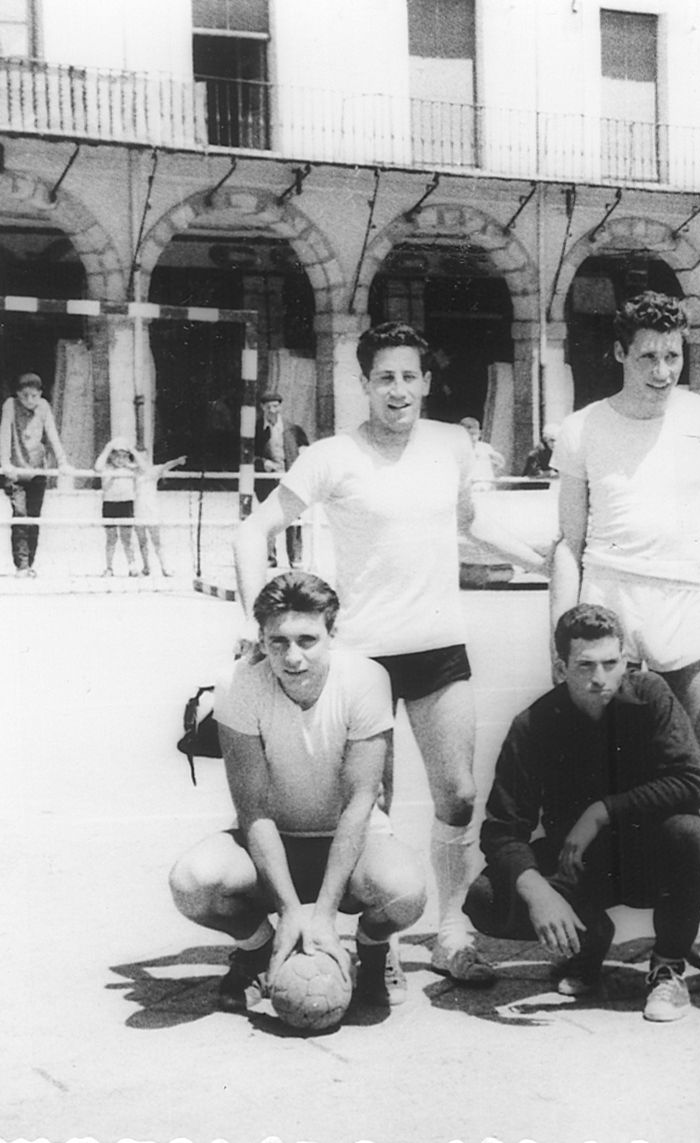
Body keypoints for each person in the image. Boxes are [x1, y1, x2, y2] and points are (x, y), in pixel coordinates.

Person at [235, 321, 549, 989]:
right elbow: (257, 527)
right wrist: (255, 624)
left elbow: (471, 523)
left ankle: (453, 931)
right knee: (371, 808)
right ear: (365, 383)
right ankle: (372, 945)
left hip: (438, 645)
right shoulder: (330, 454)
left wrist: (540, 557)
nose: (398, 389)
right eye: (384, 377)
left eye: (409, 376)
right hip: (364, 659)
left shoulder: (453, 444)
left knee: (459, 794)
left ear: (427, 382)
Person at [550, 290, 700, 977]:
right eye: (648, 357)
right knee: (597, 781)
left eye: (673, 356)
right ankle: (588, 926)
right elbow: (568, 543)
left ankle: (699, 925)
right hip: (613, 611)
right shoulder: (581, 429)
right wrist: (562, 638)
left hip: (691, 610)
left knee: (686, 786)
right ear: (619, 353)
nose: (663, 370)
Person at [167, 573, 428, 1015]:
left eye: (307, 640)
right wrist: (288, 911)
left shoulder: (366, 679)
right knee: (191, 883)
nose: (293, 657)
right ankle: (257, 951)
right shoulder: (237, 682)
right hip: (273, 842)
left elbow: (359, 803)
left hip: (351, 844)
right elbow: (253, 808)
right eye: (277, 642)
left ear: (332, 633)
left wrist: (324, 914)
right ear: (260, 639)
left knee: (406, 892)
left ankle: (373, 950)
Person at [468, 604, 700, 1022]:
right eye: (585, 666)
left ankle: (667, 967)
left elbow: (692, 782)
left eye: (611, 663)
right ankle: (589, 940)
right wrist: (538, 892)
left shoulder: (651, 695)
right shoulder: (534, 724)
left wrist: (602, 810)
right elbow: (502, 830)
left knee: (688, 832)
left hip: (646, 860)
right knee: (486, 898)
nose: (600, 678)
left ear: (625, 661)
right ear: (562, 667)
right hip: (580, 865)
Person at [0, 371, 73, 577]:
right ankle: (21, 564)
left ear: (41, 394)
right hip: (17, 470)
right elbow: (4, 434)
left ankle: (30, 563)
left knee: (34, 518)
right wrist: (5, 462)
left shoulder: (44, 407)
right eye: (25, 396)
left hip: (38, 470)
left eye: (34, 396)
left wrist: (63, 462)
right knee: (20, 516)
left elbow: (52, 435)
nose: (30, 401)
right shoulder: (10, 405)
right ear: (17, 394)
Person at [255, 390, 310, 568]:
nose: (273, 410)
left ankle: (296, 558)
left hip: (290, 480)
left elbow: (305, 447)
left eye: (276, 406)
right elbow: (247, 455)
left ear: (281, 406)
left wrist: (302, 454)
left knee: (293, 517)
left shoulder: (292, 428)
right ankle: (270, 557)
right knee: (269, 518)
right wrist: (263, 463)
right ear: (262, 407)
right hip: (266, 480)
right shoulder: (256, 429)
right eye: (269, 406)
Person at [133, 447, 187, 577]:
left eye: (144, 457)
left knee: (157, 541)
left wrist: (178, 461)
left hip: (151, 510)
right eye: (139, 457)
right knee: (142, 541)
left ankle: (165, 567)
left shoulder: (153, 470)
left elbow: (166, 465)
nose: (142, 460)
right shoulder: (133, 471)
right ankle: (146, 567)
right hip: (137, 510)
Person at [95, 438, 144, 577]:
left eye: (123, 456)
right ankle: (109, 568)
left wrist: (132, 449)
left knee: (127, 539)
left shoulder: (130, 469)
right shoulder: (106, 468)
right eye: (116, 455)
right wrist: (108, 447)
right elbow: (97, 467)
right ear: (111, 455)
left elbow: (145, 467)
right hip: (110, 504)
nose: (120, 459)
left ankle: (132, 567)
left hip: (126, 504)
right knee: (111, 538)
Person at [460, 417, 506, 486]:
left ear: (479, 433)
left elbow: (500, 464)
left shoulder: (486, 447)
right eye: (467, 435)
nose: (471, 438)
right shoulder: (459, 448)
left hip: (485, 485)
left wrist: (497, 459)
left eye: (473, 434)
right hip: (467, 486)